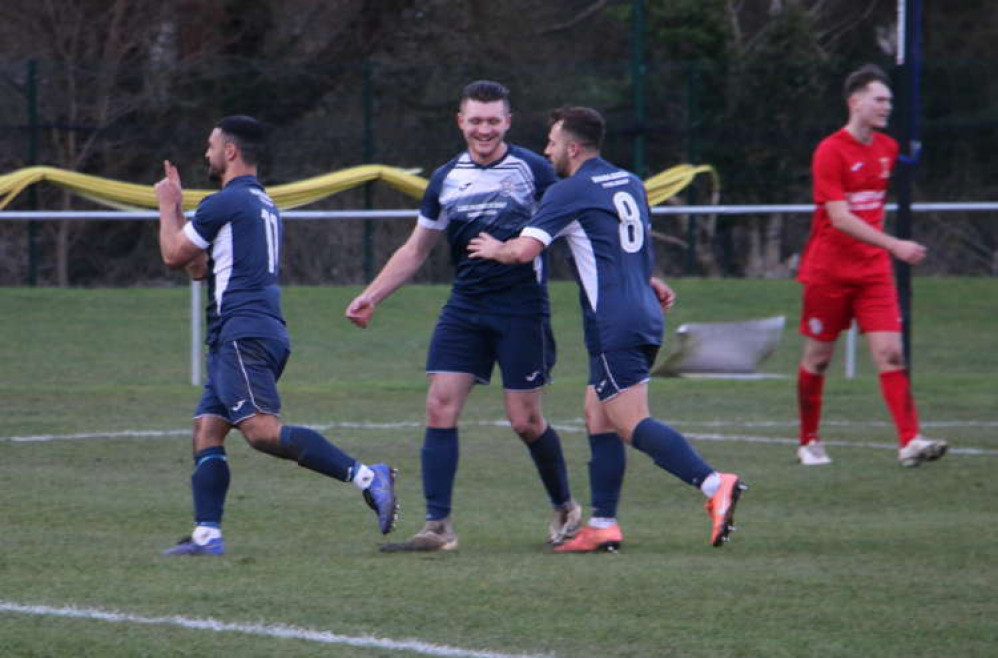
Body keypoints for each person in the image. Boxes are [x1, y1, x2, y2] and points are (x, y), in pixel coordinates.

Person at [468, 106, 745, 552]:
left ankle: (714, 484)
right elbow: (625, 246)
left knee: (630, 422)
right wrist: (649, 281)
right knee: (598, 415)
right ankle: (603, 525)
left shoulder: (569, 191)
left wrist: (496, 248)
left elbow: (524, 252)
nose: (547, 150)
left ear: (573, 148)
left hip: (614, 321)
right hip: (642, 313)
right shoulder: (629, 182)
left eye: (553, 142)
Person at [345, 81, 580, 552]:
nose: (484, 129)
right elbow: (416, 249)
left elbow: (577, 229)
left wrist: (636, 278)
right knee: (439, 405)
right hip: (466, 308)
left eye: (493, 120)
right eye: (475, 120)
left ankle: (565, 506)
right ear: (460, 122)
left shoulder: (535, 170)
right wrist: (372, 295)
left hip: (521, 309)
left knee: (525, 421)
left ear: (508, 122)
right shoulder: (446, 178)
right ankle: (438, 527)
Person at [155, 115, 398, 556]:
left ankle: (368, 476)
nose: (206, 154)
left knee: (262, 432)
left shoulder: (224, 203)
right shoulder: (258, 203)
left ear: (230, 151)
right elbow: (197, 267)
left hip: (242, 336)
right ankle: (207, 536)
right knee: (207, 431)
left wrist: (167, 205)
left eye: (211, 145)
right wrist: (179, 215)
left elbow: (173, 255)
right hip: (248, 332)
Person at [795, 64, 948, 467]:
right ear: (855, 102)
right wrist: (894, 244)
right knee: (818, 359)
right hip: (828, 273)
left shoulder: (887, 149)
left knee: (891, 355)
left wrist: (885, 250)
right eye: (879, 99)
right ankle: (809, 440)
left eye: (890, 101)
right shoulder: (829, 151)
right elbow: (841, 217)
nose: (886, 107)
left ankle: (910, 441)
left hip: (872, 273)